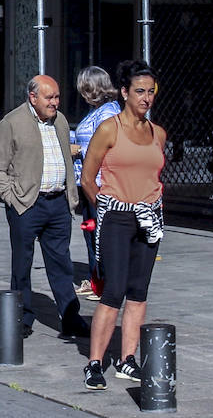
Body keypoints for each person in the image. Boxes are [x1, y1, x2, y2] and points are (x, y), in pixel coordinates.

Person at [80, 60, 166, 391]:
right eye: (140, 91)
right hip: (116, 216)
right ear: (124, 92)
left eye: (151, 91)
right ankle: (94, 362)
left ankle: (127, 360)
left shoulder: (158, 133)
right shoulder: (109, 128)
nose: (146, 98)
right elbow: (88, 178)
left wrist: (152, 207)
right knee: (113, 290)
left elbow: (153, 175)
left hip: (150, 218)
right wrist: (107, 206)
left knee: (139, 292)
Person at [0, 75, 90, 340]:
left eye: (57, 97)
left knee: (61, 263)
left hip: (57, 204)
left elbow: (64, 157)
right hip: (26, 205)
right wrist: (14, 198)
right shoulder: (12, 122)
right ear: (33, 98)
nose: (54, 102)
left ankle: (70, 317)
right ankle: (22, 316)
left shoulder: (61, 121)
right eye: (49, 98)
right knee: (22, 264)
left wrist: (70, 197)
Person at [73, 66, 122, 301]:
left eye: (85, 89)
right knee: (91, 231)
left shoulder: (107, 113)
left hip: (100, 181)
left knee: (100, 233)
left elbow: (103, 146)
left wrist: (76, 149)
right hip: (87, 180)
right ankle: (96, 279)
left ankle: (105, 283)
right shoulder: (97, 111)